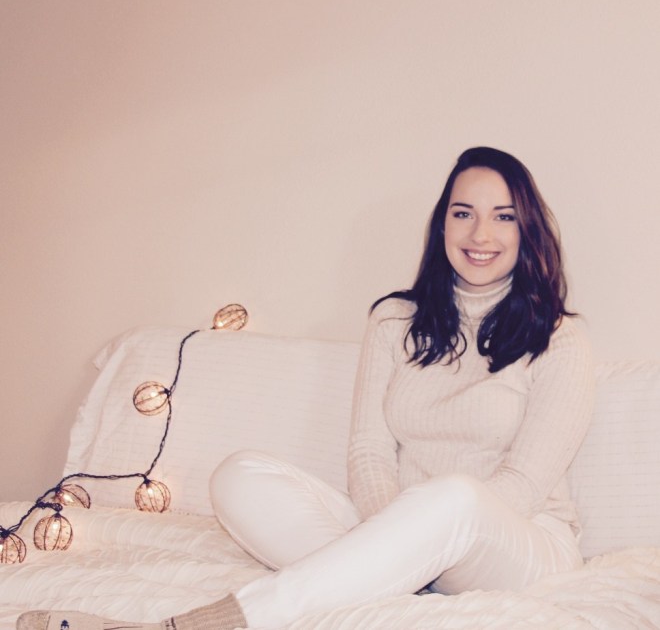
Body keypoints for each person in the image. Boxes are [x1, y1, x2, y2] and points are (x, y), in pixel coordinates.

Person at [18, 146, 595, 630]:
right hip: (399, 529)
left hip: (516, 546)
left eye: (503, 217)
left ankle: (200, 625)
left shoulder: (560, 338)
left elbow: (522, 485)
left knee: (456, 497)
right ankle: (385, 585)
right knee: (239, 475)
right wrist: (396, 539)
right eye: (463, 212)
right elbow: (368, 452)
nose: (480, 233)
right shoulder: (393, 321)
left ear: (527, 229)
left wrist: (420, 535)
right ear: (441, 223)